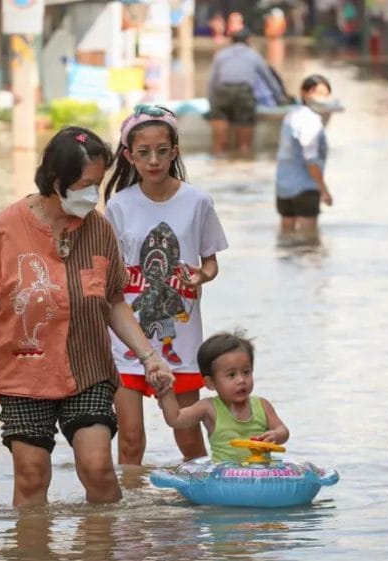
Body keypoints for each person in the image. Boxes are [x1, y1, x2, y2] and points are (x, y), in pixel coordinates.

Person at [0, 127, 175, 508]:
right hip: (24, 372)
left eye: (98, 184)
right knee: (32, 474)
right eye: (86, 185)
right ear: (57, 181)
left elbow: (114, 301)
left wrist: (150, 357)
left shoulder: (99, 229)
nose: (93, 195)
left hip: (88, 369)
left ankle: (102, 547)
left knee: (98, 466)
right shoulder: (7, 226)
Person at [103, 104, 229, 466]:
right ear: (129, 156)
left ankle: (198, 511)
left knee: (188, 437)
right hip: (127, 341)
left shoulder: (197, 201)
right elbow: (109, 272)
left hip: (182, 340)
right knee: (129, 440)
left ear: (174, 151)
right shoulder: (119, 205)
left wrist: (200, 276)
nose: (154, 160)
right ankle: (129, 518)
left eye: (162, 151)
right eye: (143, 153)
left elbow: (211, 262)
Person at [155, 330, 290, 464]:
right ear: (211, 382)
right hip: (225, 478)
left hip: (259, 475)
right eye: (231, 375)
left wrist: (276, 435)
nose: (241, 380)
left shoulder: (262, 405)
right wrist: (166, 391)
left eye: (246, 372)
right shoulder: (208, 408)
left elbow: (283, 430)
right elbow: (175, 419)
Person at [275, 74, 343, 234]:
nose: (321, 98)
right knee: (309, 243)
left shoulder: (291, 115)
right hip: (305, 188)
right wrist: (324, 190)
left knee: (287, 240)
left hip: (283, 187)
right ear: (304, 93)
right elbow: (311, 159)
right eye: (317, 93)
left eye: (325, 95)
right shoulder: (311, 121)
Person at [207, 28, 286, 157]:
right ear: (248, 40)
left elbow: (211, 82)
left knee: (218, 143)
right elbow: (269, 80)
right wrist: (279, 99)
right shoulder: (254, 55)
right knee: (244, 146)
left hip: (222, 91)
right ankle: (244, 160)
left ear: (231, 41)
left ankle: (218, 155)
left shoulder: (221, 55)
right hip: (243, 91)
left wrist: (211, 103)